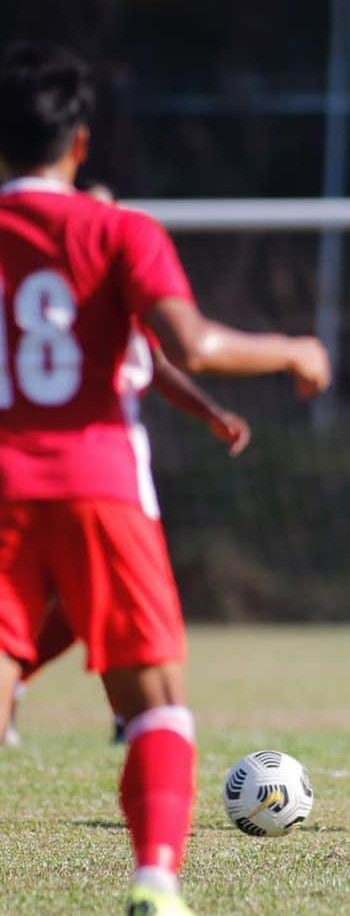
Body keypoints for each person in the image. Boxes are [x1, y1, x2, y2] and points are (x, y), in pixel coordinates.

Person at [0, 41, 330, 916]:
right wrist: (295, 348)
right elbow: (194, 341)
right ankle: (156, 880)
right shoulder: (120, 232)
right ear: (81, 142)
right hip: (100, 485)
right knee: (157, 707)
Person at [4, 286, 253, 748]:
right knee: (103, 599)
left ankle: (117, 708)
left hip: (56, 471)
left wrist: (209, 412)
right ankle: (134, 713)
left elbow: (154, 360)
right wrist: (295, 352)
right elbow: (187, 348)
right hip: (91, 472)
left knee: (95, 603)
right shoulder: (110, 253)